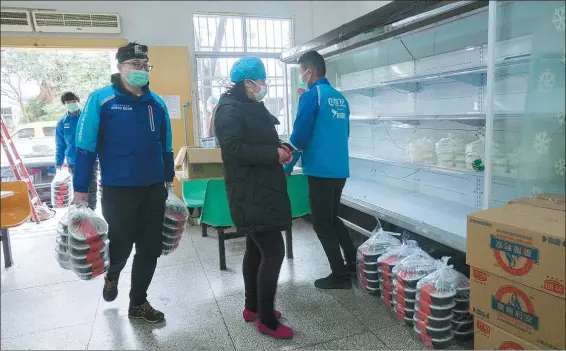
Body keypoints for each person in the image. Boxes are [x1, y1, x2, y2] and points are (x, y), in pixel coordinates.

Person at [72, 42, 174, 323]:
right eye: (135, 65)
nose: (142, 70)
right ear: (120, 68)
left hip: (153, 189)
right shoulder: (102, 100)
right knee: (121, 245)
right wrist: (81, 190)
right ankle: (112, 274)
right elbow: (84, 147)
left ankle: (138, 302)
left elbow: (166, 145)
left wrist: (169, 182)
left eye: (145, 65)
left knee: (150, 248)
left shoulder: (157, 102)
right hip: (119, 190)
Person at [214, 57, 295, 339]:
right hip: (249, 192)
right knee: (274, 251)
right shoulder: (227, 111)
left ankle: (253, 308)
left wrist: (280, 146)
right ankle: (267, 322)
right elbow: (234, 150)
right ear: (247, 82)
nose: (264, 85)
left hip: (262, 190)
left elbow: (261, 140)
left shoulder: (250, 106)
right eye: (261, 80)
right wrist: (272, 154)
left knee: (256, 250)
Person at [284, 51, 356, 290]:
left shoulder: (311, 96)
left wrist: (286, 165)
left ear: (309, 71)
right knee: (333, 219)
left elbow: (300, 138)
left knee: (322, 224)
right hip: (339, 169)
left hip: (320, 171)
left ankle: (340, 275)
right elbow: (345, 133)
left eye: (301, 72)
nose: (301, 77)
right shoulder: (339, 97)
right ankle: (353, 265)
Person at [55, 91, 98, 211]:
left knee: (92, 187)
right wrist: (58, 162)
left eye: (74, 101)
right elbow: (60, 144)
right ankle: (82, 216)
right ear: (64, 104)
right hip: (73, 161)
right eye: (68, 102)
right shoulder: (62, 123)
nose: (72, 104)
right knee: (79, 189)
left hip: (91, 159)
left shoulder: (87, 118)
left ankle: (92, 213)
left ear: (78, 101)